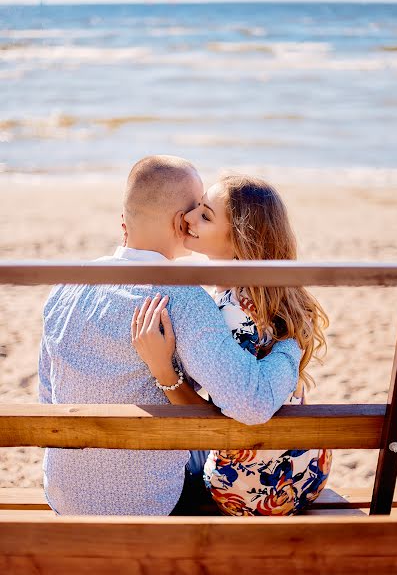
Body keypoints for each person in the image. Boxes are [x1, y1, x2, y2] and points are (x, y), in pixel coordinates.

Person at [38, 156, 301, 516]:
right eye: (197, 210)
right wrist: (291, 346)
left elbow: (48, 395)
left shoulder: (67, 286)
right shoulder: (181, 299)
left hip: (65, 496)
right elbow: (252, 403)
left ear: (126, 220)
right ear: (182, 222)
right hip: (150, 504)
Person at [131, 173, 332, 516]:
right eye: (195, 208)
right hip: (308, 474)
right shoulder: (277, 297)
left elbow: (216, 418)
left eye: (205, 215)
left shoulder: (230, 311)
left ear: (240, 239)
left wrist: (164, 372)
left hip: (244, 488)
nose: (188, 218)